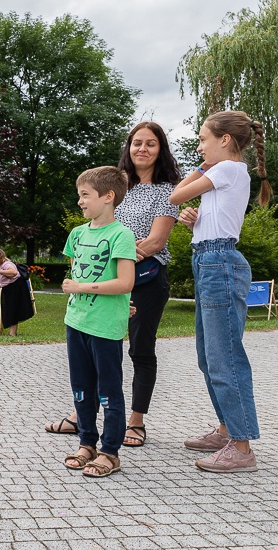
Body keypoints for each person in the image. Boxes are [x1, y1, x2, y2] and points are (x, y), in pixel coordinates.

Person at [45, 122, 180, 447]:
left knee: (140, 349)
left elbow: (156, 241)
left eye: (150, 144)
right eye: (137, 143)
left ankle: (135, 421)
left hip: (145, 278)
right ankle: (83, 416)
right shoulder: (116, 185)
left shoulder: (168, 190)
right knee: (94, 346)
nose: (142, 149)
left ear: (160, 149)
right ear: (128, 147)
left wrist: (118, 262)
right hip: (105, 279)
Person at [170, 110, 271, 473]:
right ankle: (229, 429)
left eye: (202, 140)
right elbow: (195, 208)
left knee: (224, 357)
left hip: (219, 263)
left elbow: (175, 195)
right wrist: (195, 220)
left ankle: (242, 448)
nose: (199, 147)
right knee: (208, 357)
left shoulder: (225, 169)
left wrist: (198, 169)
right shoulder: (225, 175)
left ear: (224, 140)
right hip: (208, 259)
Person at [60, 166, 136, 478]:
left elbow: (125, 283)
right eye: (79, 195)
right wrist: (75, 286)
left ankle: (109, 452)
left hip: (104, 329)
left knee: (108, 391)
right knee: (81, 388)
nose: (80, 201)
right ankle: (87, 443)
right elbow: (80, 271)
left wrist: (83, 288)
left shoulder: (122, 235)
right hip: (75, 322)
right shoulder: (77, 234)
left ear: (108, 197)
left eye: (85, 195)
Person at [0, 249, 34, 336]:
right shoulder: (0, 265)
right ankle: (12, 333)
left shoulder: (6, 264)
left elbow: (14, 272)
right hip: (9, 289)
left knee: (12, 310)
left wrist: (2, 271)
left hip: (15, 288)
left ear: (1, 256)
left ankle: (12, 333)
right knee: (10, 310)